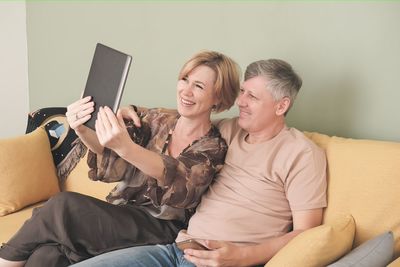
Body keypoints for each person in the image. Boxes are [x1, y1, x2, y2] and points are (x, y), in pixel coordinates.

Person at [72, 58, 328, 267]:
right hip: (175, 251)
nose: (240, 102)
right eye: (242, 92)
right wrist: (132, 110)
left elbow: (307, 235)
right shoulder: (230, 130)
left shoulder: (301, 154)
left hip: (223, 262)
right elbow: (188, 116)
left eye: (252, 96)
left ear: (281, 106)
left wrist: (242, 257)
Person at [0, 50, 241, 267]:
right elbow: (108, 153)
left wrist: (127, 148)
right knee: (46, 256)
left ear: (218, 98)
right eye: (184, 79)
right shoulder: (156, 119)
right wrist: (83, 129)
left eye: (199, 86)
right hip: (121, 215)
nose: (186, 91)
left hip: (161, 228)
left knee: (63, 206)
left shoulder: (212, 147)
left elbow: (180, 181)